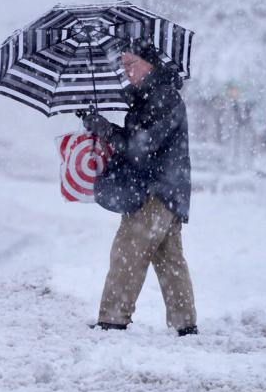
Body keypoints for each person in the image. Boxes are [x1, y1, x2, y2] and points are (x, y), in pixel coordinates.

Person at [81, 40, 197, 336]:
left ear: (150, 64)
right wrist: (102, 125)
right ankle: (185, 325)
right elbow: (138, 142)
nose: (126, 71)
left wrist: (106, 130)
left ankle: (112, 320)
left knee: (126, 252)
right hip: (169, 191)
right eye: (123, 65)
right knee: (170, 260)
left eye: (131, 64)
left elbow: (140, 148)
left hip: (154, 192)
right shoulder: (151, 98)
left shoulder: (161, 98)